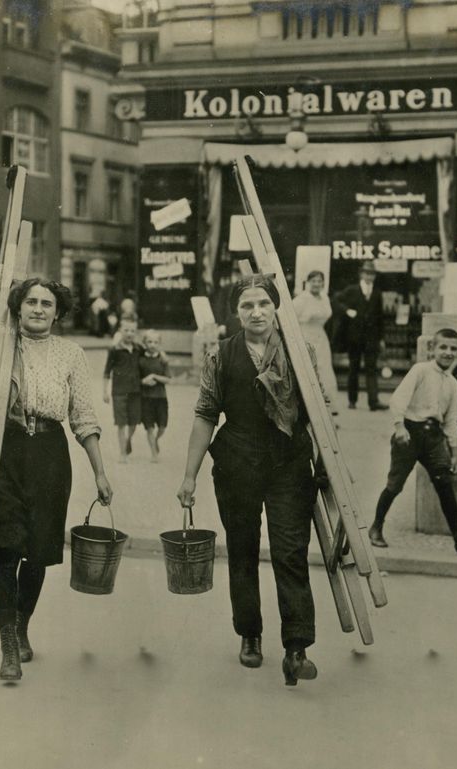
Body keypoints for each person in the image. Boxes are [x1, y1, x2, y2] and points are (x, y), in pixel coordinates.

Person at [0, 278, 112, 682]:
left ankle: (22, 625)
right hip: (3, 453)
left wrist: (99, 471)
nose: (38, 309)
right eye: (30, 302)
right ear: (18, 309)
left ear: (57, 312)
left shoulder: (71, 354)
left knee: (38, 551)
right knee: (5, 549)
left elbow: (83, 416)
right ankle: (8, 645)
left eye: (46, 303)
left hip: (49, 455)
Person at [176, 273, 320, 687]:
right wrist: (189, 475)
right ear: (236, 313)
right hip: (237, 464)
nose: (256, 312)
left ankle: (297, 647)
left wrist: (326, 464)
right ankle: (250, 634)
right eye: (246, 306)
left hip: (288, 465)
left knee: (291, 551)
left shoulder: (299, 352)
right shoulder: (220, 356)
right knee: (241, 550)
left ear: (276, 308)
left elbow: (318, 412)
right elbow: (205, 414)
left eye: (263, 303)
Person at [369, 328, 457, 557]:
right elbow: (398, 398)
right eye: (443, 347)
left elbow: (451, 420)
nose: (447, 353)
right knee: (395, 483)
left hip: (434, 438)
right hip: (409, 432)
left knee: (444, 482)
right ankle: (376, 528)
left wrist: (455, 453)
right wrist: (399, 426)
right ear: (432, 349)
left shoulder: (453, 383)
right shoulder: (420, 370)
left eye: (453, 349)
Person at [332, 261, 387, 411]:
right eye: (366, 273)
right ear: (361, 274)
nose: (369, 276)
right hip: (354, 337)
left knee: (371, 369)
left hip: (372, 338)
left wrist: (381, 338)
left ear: (374, 276)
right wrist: (347, 311)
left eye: (372, 274)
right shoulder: (352, 290)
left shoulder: (377, 292)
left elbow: (380, 317)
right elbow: (335, 301)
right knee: (353, 369)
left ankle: (373, 402)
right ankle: (352, 400)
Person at [292, 270, 340, 415]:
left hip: (321, 337)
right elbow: (291, 319)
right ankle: (309, 408)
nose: (317, 284)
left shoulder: (324, 298)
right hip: (305, 337)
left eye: (319, 281)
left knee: (324, 370)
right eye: (314, 281)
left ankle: (327, 408)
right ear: (308, 283)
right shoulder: (301, 300)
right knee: (309, 370)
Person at [103, 316, 143, 463]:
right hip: (119, 392)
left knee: (133, 423)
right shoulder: (114, 350)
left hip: (136, 391)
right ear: (120, 331)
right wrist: (104, 391)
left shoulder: (139, 349)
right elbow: (107, 371)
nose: (129, 333)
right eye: (126, 330)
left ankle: (128, 440)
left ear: (136, 332)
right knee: (121, 424)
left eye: (132, 330)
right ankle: (122, 453)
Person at [138, 330, 172, 462]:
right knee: (149, 427)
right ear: (145, 343)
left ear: (160, 344)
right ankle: (153, 454)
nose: (152, 344)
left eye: (156, 342)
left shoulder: (163, 360)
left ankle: (157, 440)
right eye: (149, 342)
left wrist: (154, 376)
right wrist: (143, 381)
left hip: (161, 398)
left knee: (162, 427)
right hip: (145, 398)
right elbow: (136, 378)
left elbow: (168, 379)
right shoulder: (140, 360)